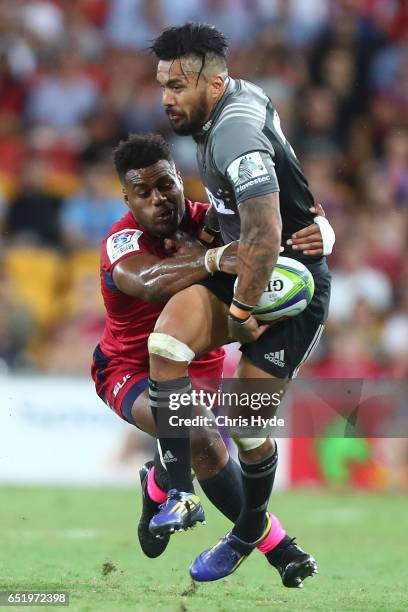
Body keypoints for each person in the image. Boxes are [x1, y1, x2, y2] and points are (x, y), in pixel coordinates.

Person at [91, 132, 333, 587]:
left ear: (180, 180)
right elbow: (147, 282)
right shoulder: (120, 241)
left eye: (165, 185)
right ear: (127, 197)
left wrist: (323, 231)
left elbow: (274, 232)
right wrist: (215, 259)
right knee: (197, 431)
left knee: (206, 433)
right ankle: (280, 548)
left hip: (197, 368)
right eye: (143, 193)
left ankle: (160, 484)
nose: (158, 200)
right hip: (128, 368)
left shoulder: (212, 221)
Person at [149, 22, 333, 582]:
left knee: (246, 425)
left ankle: (249, 528)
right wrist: (319, 217)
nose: (166, 98)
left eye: (178, 85)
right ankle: (177, 491)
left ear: (215, 81)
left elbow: (265, 231)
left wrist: (239, 314)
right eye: (162, 84)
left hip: (289, 279)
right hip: (247, 261)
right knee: (166, 342)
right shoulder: (236, 100)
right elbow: (283, 189)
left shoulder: (234, 131)